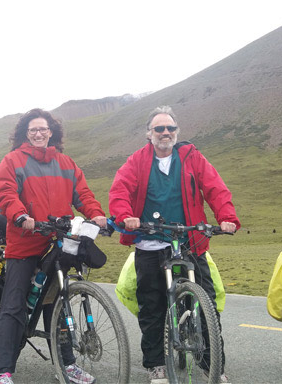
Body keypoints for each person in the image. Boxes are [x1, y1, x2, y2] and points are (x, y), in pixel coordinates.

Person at [108, 105, 239, 383]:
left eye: (170, 128)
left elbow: (215, 188)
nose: (165, 133)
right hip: (150, 242)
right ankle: (156, 365)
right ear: (149, 133)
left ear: (177, 132)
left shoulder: (192, 157)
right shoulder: (137, 161)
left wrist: (226, 217)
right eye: (159, 128)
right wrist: (125, 216)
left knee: (207, 305)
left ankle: (211, 364)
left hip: (190, 241)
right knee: (152, 307)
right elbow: (120, 190)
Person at [0, 108, 107, 384]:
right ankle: (4, 371)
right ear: (25, 134)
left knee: (57, 303)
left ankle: (67, 365)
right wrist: (21, 217)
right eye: (33, 130)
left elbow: (83, 195)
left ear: (51, 132)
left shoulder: (66, 163)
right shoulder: (13, 161)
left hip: (58, 242)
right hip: (25, 242)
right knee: (14, 305)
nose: (39, 133)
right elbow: (4, 192)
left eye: (43, 129)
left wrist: (97, 214)